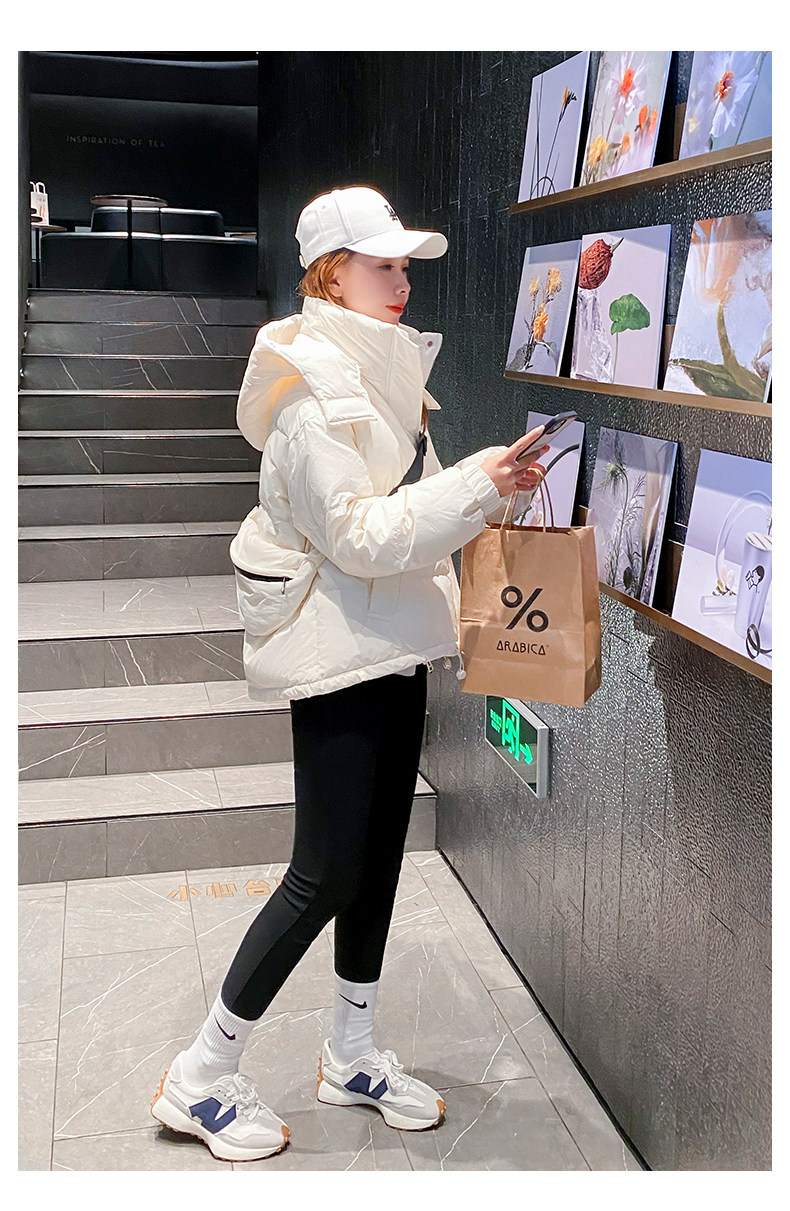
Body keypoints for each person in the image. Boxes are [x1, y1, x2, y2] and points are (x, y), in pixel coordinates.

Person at [151, 185, 548, 1162]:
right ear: (330, 274)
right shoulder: (310, 392)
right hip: (338, 647)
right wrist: (474, 483)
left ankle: (353, 1051)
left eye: (405, 265)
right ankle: (199, 1072)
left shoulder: (384, 371)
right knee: (324, 869)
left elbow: (415, 509)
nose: (401, 280)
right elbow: (360, 536)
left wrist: (488, 492)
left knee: (374, 858)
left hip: (394, 638)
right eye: (383, 265)